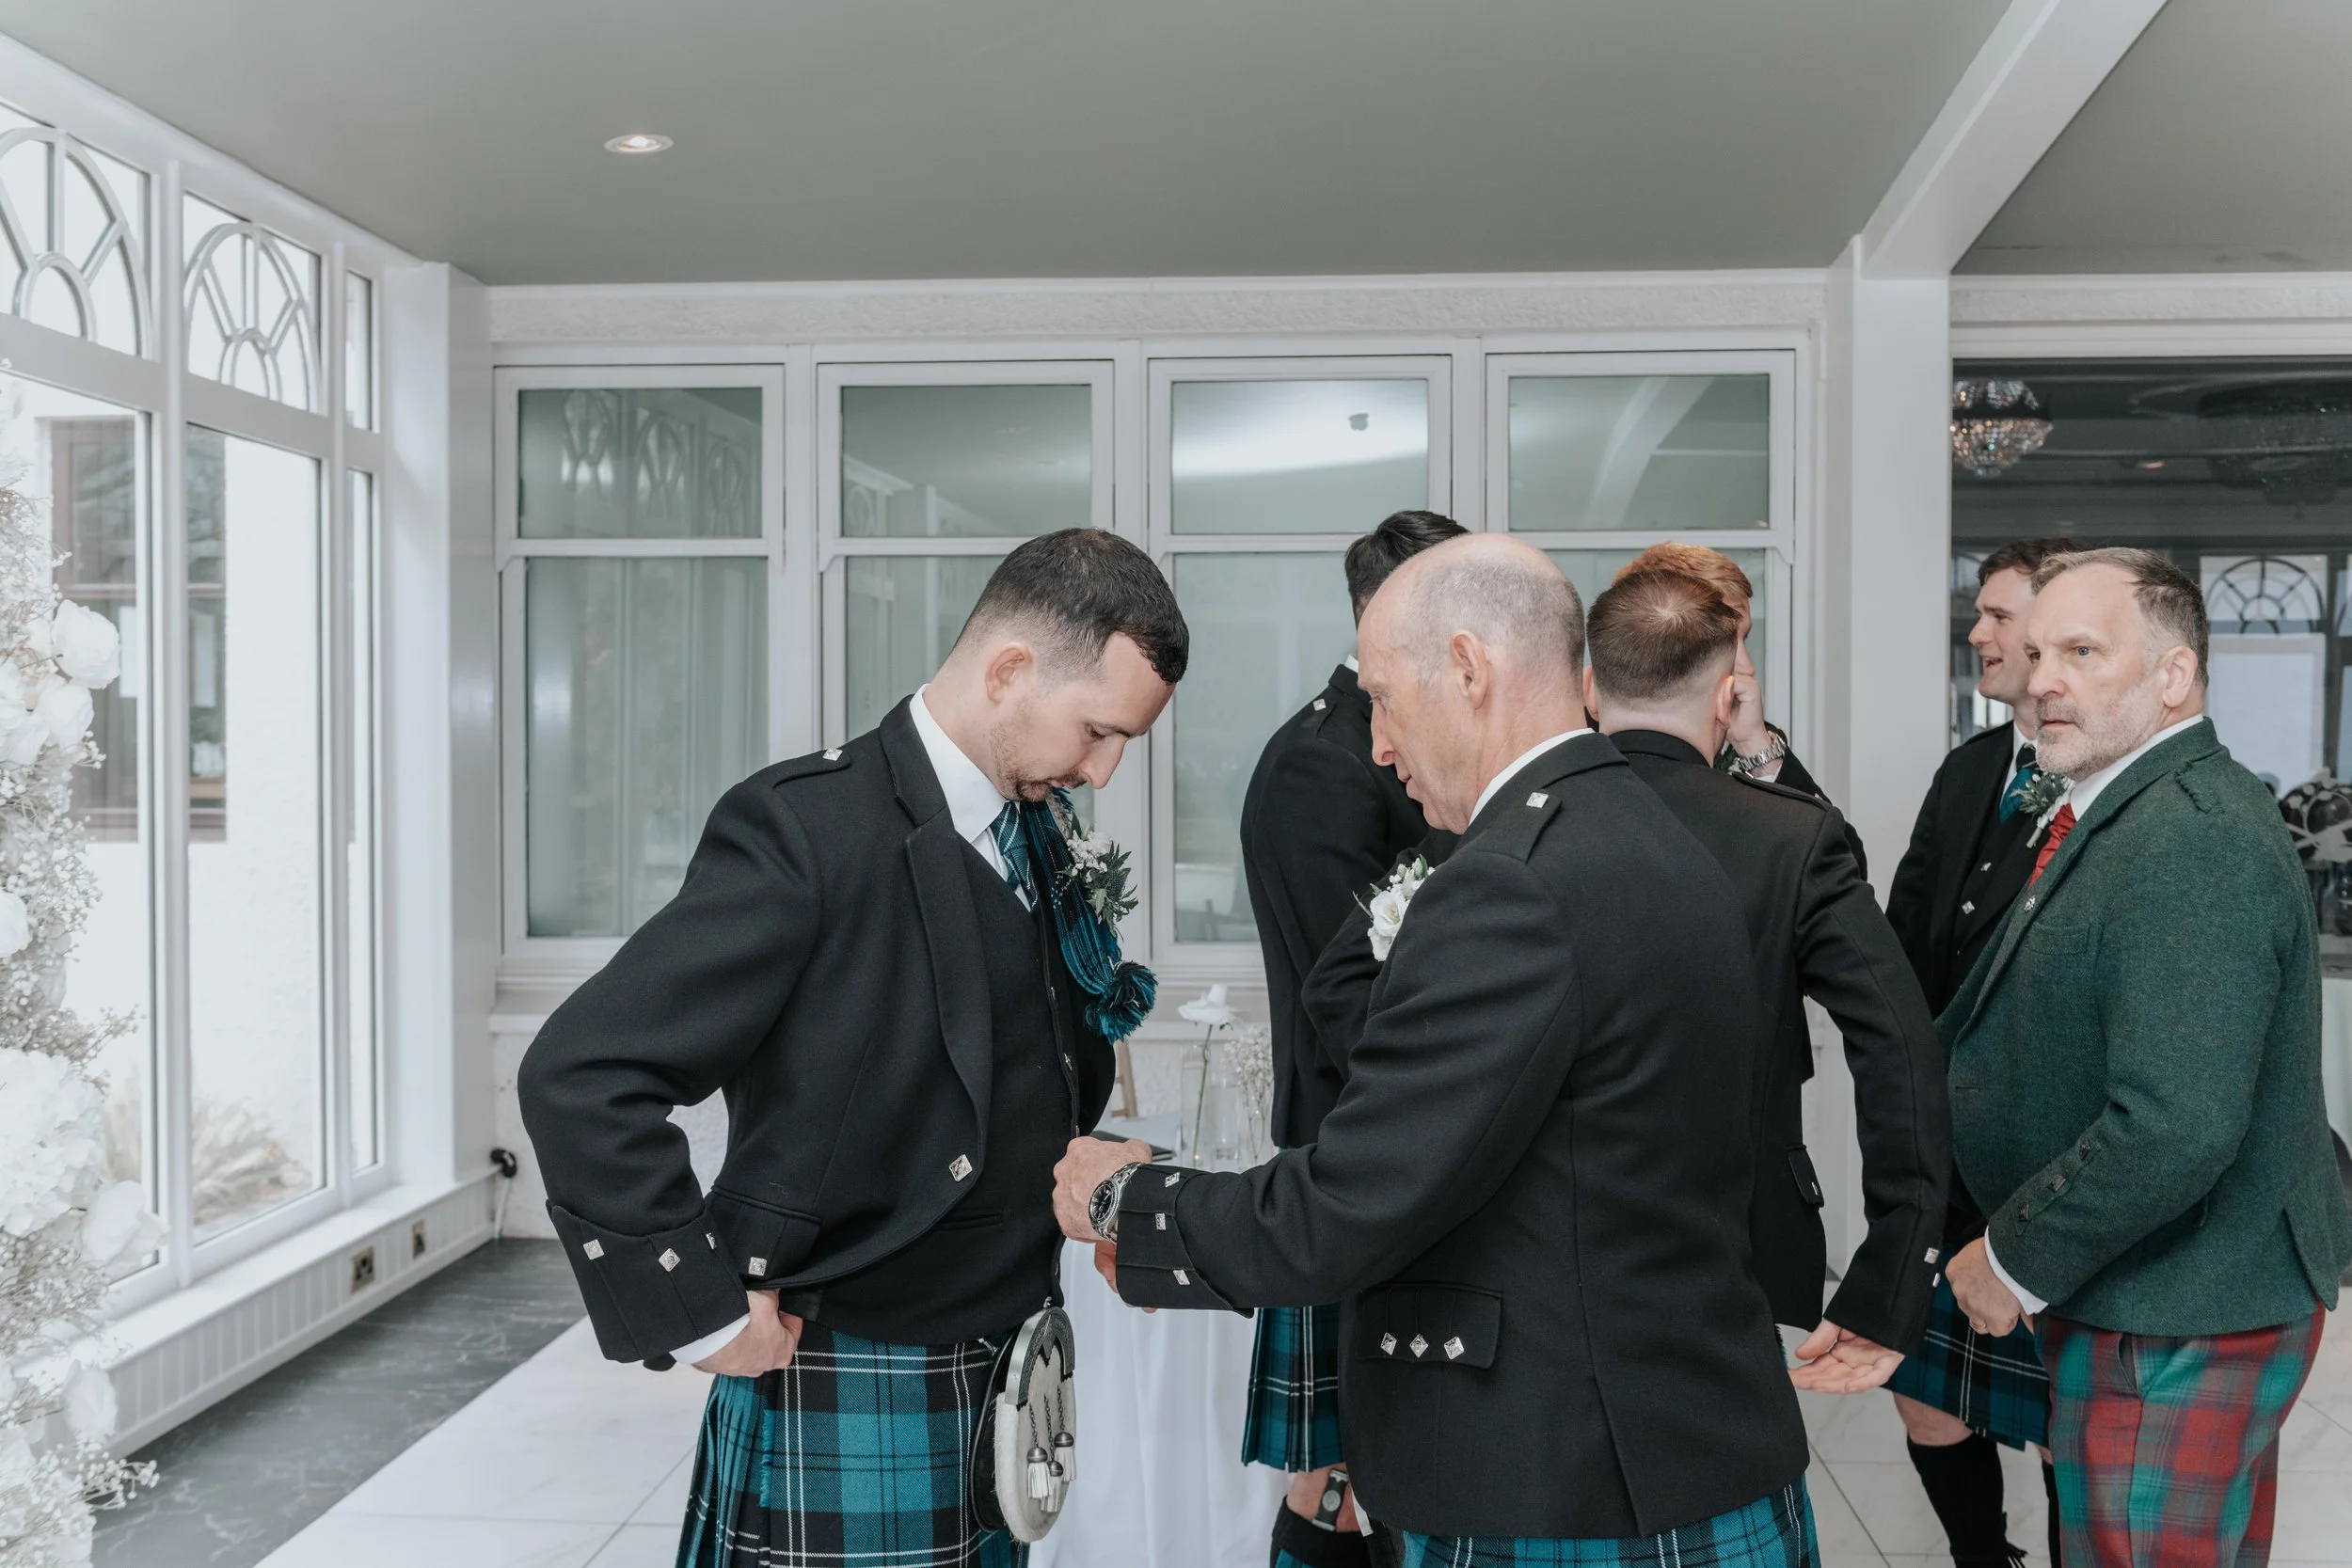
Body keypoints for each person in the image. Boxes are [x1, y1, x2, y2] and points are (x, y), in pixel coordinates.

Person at [1057, 535, 1819, 1565]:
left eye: (1381, 696)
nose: (1377, 743)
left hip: (1564, 1478)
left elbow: (1356, 1198)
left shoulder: (1511, 883)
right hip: (1689, 1432)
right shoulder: (1659, 837)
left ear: (1467, 668)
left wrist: (1126, 1197)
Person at [517, 530, 1186, 1568]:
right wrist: (701, 1313)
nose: (1101, 769)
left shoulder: (1033, 826)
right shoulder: (805, 830)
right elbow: (582, 1075)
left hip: (1005, 1360)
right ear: (1008, 670)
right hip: (849, 1359)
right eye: (1097, 731)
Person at [1943, 547, 2352, 1567]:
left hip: (2178, 1304)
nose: (2043, 678)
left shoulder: (2187, 834)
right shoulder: (2136, 804)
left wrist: (2013, 1257)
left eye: (2082, 651)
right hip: (2162, 1293)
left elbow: (2175, 1123)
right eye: (2039, 651)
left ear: (2173, 675)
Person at [1582, 567, 1948, 1393]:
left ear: (1590, 685)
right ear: (1726, 695)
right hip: (1742, 1233)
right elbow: (1899, 1043)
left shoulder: (1499, 821)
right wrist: (1894, 1270)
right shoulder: (1789, 838)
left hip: (1534, 1252)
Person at [1234, 508, 1464, 1568]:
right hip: (1353, 1146)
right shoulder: (1322, 762)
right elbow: (1351, 995)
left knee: (1376, 1469)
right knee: (1338, 1477)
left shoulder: (1387, 743)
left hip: (1389, 1146)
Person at [1881, 536, 2081, 1568]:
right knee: (1923, 1394)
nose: (1978, 631)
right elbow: (1903, 933)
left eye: (1999, 613)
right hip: (1947, 1157)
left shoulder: (2101, 780)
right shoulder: (1967, 770)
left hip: (2055, 1167)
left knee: (2061, 1424)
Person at [1613, 544, 1834, 805]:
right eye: (1724, 643)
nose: (1748, 667)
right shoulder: (1590, 745)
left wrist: (1754, 746)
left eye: (1744, 639)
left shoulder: (1754, 737)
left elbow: (1829, 832)